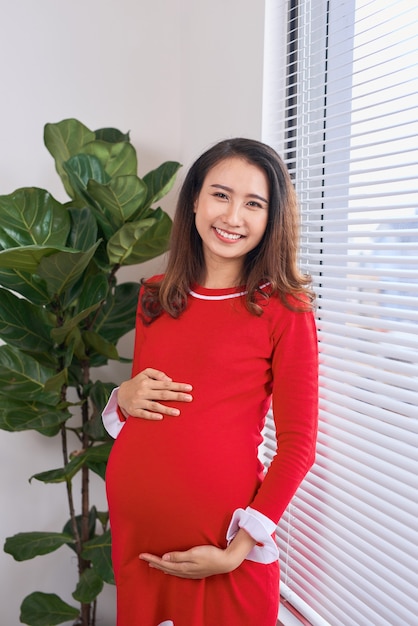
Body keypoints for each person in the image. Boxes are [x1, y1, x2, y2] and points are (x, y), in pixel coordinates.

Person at [102, 138, 318, 626]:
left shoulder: (285, 309)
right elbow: (153, 409)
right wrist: (121, 397)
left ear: (271, 219)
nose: (233, 216)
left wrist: (237, 550)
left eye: (254, 203)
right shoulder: (156, 297)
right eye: (221, 195)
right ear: (195, 199)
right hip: (139, 535)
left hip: (222, 546)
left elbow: (298, 445)